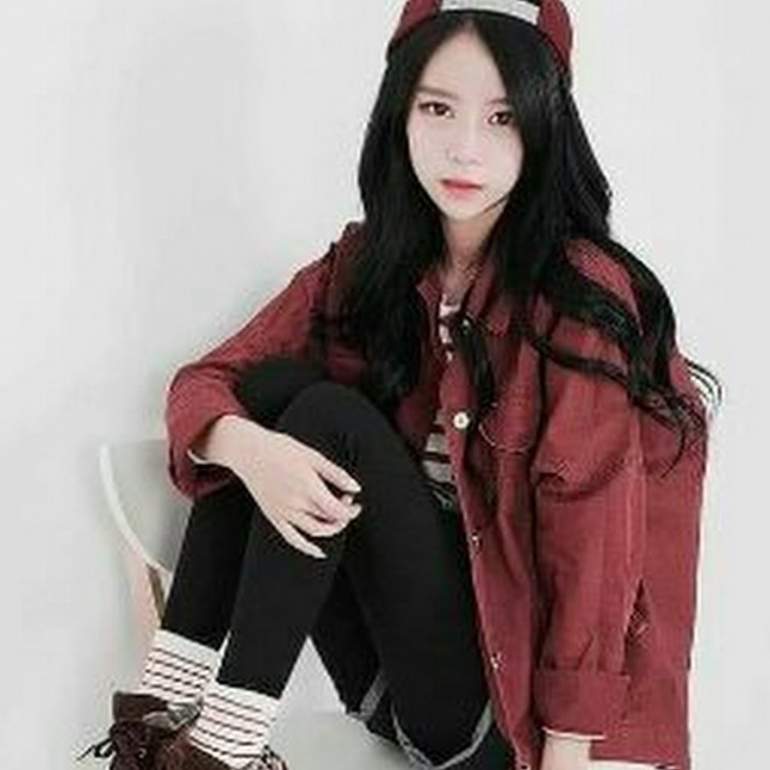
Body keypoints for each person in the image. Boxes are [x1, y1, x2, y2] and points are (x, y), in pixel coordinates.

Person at [77, 2, 719, 769]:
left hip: (507, 720)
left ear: (545, 127)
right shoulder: (366, 267)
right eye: (438, 108)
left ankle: (221, 748)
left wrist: (566, 755)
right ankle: (158, 721)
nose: (465, 147)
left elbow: (593, 541)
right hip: (394, 683)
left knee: (328, 417)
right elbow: (207, 382)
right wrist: (251, 452)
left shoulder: (579, 296)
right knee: (271, 391)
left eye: (503, 118)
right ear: (401, 114)